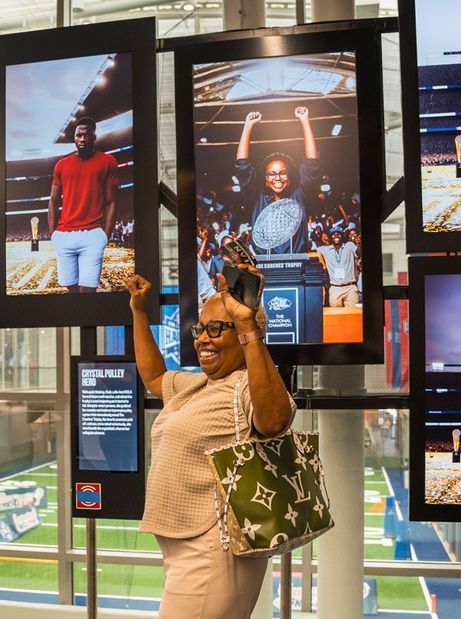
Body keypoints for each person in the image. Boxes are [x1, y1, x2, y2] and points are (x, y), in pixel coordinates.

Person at [127, 267, 295, 618]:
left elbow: (276, 419)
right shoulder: (199, 386)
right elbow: (154, 376)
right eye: (200, 329)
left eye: (217, 328)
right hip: (187, 548)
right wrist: (139, 313)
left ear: (245, 332)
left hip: (213, 550)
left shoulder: (246, 386)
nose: (203, 338)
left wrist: (248, 325)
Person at [235, 107, 319, 255]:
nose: (277, 178)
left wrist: (305, 121)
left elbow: (311, 164)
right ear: (266, 180)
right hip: (265, 266)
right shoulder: (257, 199)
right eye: (272, 174)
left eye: (282, 173)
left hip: (297, 264)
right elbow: (242, 167)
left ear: (289, 179)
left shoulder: (299, 196)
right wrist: (247, 126)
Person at [47, 116, 118, 293]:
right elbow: (53, 200)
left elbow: (111, 201)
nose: (82, 139)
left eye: (87, 135)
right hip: (64, 235)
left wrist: (105, 235)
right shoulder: (61, 165)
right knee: (72, 293)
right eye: (79, 135)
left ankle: (89, 322)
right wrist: (52, 234)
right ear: (74, 137)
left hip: (93, 233)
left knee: (88, 295)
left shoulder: (107, 161)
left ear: (94, 137)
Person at [316, 227, 360, 307]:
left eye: (338, 233)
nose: (336, 235)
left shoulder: (349, 246)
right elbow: (310, 252)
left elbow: (360, 253)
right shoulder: (325, 250)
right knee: (336, 316)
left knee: (352, 316)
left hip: (350, 288)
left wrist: (359, 243)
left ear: (342, 236)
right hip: (335, 288)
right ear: (330, 237)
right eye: (333, 234)